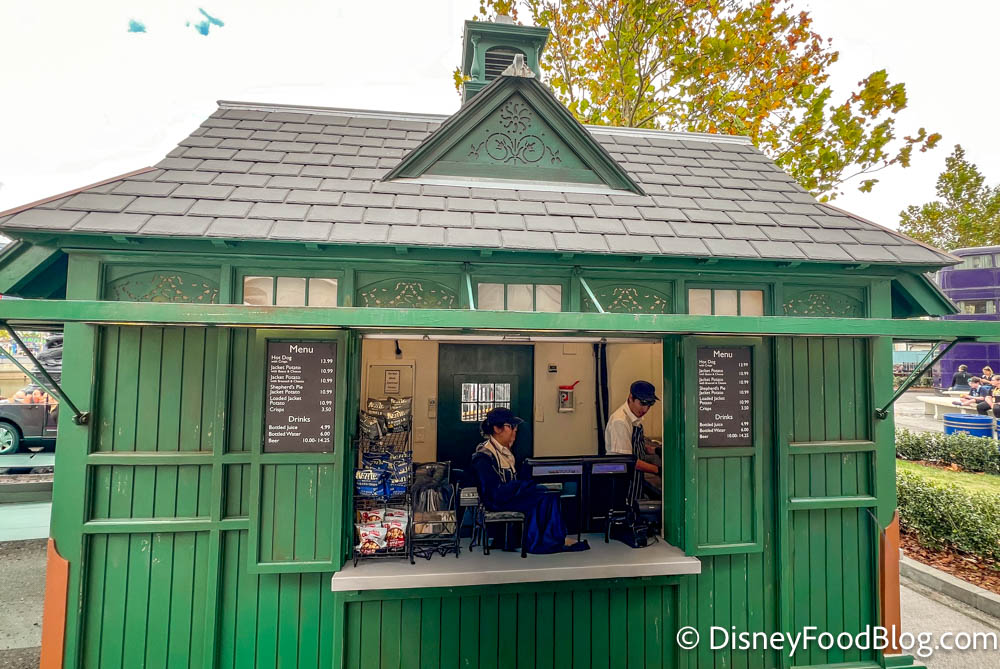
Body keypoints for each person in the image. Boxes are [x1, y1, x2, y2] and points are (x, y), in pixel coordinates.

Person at [469, 407, 589, 554]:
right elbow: (493, 492)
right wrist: (521, 487)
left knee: (549, 493)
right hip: (497, 501)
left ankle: (553, 537)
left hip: (509, 496)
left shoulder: (505, 451)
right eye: (511, 426)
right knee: (541, 497)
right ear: (497, 429)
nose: (515, 430)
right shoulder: (483, 456)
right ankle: (544, 540)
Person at [605, 380, 662, 488]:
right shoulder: (620, 421)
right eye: (642, 403)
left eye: (649, 405)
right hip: (623, 482)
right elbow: (626, 460)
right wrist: (658, 470)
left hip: (634, 478)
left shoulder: (634, 418)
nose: (645, 409)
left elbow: (634, 444)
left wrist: (655, 450)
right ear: (631, 397)